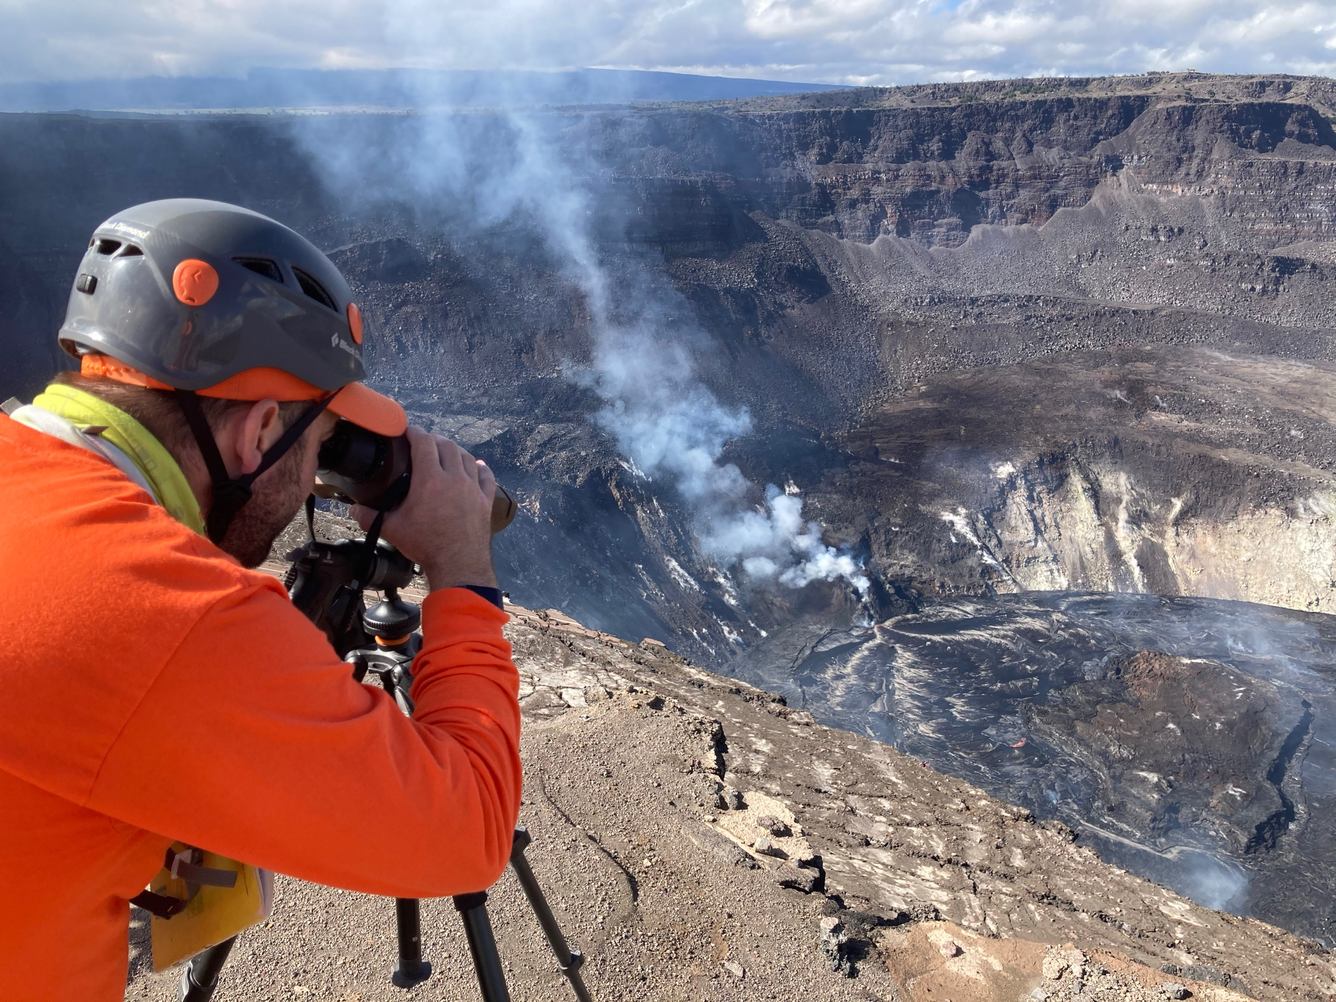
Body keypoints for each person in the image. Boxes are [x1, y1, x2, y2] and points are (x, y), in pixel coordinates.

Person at [0, 199, 522, 1001]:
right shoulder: (168, 609)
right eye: (318, 444)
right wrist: (461, 567)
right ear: (260, 429)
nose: (316, 473)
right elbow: (471, 830)